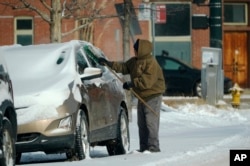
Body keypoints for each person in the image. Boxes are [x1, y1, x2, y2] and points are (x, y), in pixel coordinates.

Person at [98, 39, 166, 152]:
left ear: (142, 50)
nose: (134, 51)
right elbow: (124, 67)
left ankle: (154, 147)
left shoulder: (151, 62)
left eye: (136, 49)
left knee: (151, 122)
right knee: (142, 124)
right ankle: (144, 148)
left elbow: (147, 81)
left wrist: (132, 84)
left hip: (153, 96)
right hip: (142, 97)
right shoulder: (134, 61)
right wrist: (109, 64)